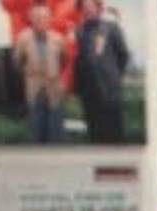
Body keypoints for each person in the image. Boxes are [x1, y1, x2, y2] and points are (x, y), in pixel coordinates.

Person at [73, 0, 128, 143]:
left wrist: (114, 78)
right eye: (84, 7)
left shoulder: (111, 27)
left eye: (90, 6)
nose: (87, 10)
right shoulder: (79, 31)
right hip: (89, 92)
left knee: (114, 132)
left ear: (98, 7)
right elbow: (79, 60)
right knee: (94, 132)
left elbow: (123, 55)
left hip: (109, 90)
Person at [13, 3, 68, 143]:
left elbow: (64, 61)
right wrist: (30, 74)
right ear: (31, 19)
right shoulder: (23, 38)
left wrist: (53, 72)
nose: (40, 21)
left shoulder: (58, 38)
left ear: (49, 19)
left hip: (54, 88)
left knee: (56, 131)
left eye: (44, 17)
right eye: (36, 17)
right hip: (34, 89)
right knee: (37, 131)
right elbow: (17, 62)